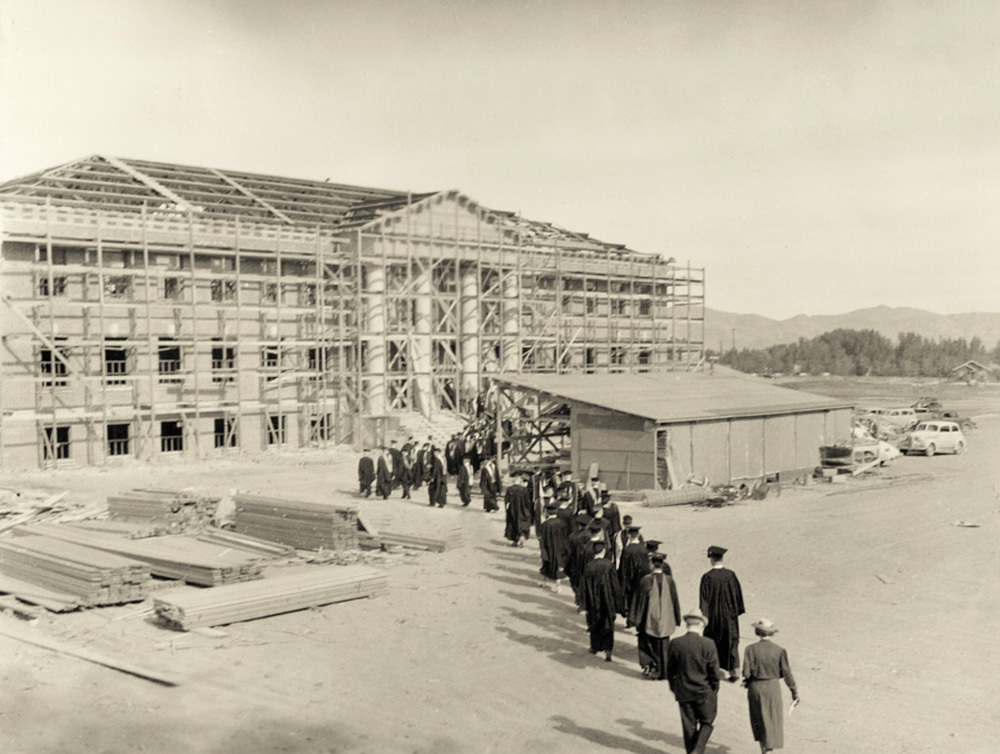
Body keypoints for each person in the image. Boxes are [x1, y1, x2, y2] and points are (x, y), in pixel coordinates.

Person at [666, 608, 721, 754]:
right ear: (701, 625)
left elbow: (669, 670)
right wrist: (714, 687)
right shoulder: (708, 644)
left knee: (688, 725)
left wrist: (674, 687)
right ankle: (697, 750)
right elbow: (714, 671)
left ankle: (691, 751)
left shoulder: (676, 643)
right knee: (707, 721)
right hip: (704, 690)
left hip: (683, 690)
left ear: (686, 624)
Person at [742, 618, 798, 753]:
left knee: (759, 719)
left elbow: (746, 672)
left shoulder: (750, 649)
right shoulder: (779, 650)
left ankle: (764, 750)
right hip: (772, 687)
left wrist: (748, 680)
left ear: (757, 632)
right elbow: (787, 673)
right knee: (772, 719)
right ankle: (769, 748)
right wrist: (794, 691)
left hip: (755, 687)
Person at [629, 552, 680, 679]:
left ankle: (650, 667)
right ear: (662, 564)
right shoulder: (669, 580)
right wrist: (676, 618)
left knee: (646, 643)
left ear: (652, 564)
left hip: (648, 619)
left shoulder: (645, 580)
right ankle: (664, 671)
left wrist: (635, 619)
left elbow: (639, 601)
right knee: (663, 645)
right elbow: (675, 600)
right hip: (666, 619)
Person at [700, 545, 745, 682]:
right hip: (729, 616)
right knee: (731, 641)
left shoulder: (707, 577)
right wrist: (735, 612)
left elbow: (704, 600)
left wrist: (704, 616)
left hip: (714, 617)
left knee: (713, 642)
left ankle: (713, 670)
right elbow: (737, 596)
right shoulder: (731, 575)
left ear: (711, 559)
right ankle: (735, 671)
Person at [581, 539, 624, 661]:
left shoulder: (589, 566)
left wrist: (584, 603)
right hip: (608, 600)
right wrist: (618, 601)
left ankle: (595, 647)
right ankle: (608, 650)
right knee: (608, 624)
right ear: (604, 551)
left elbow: (584, 586)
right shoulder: (609, 565)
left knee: (594, 623)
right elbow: (615, 585)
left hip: (594, 601)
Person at [618, 525, 651, 624]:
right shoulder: (644, 549)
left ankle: (630, 620)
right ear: (638, 535)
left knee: (631, 597)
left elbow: (623, 567)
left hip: (630, 577)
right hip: (642, 577)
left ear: (629, 536)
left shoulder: (627, 550)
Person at [538, 502, 569, 592]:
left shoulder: (545, 524)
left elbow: (542, 539)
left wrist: (542, 551)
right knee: (558, 566)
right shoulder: (562, 523)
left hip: (549, 548)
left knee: (546, 564)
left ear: (548, 512)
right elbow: (565, 536)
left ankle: (543, 581)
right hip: (560, 547)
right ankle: (558, 586)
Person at [503, 472, 534, 546]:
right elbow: (528, 502)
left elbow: (506, 501)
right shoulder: (524, 489)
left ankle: (515, 540)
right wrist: (528, 510)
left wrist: (507, 510)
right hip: (523, 510)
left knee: (513, 523)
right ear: (520, 480)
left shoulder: (510, 489)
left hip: (513, 510)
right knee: (523, 523)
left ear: (513, 480)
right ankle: (522, 536)